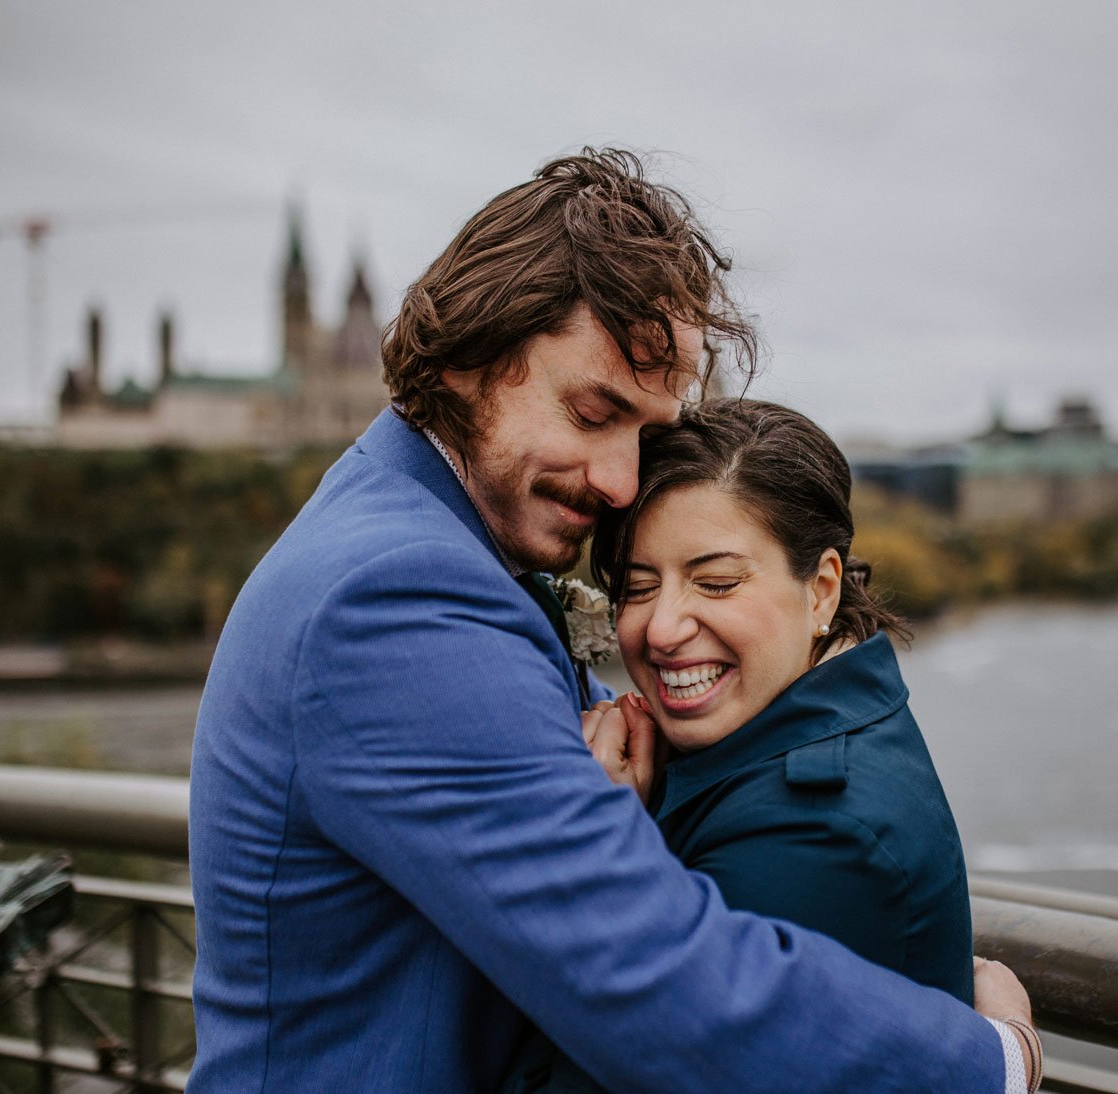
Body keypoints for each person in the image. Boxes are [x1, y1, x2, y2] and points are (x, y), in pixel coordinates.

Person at [188, 148, 1035, 1092]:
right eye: (594, 414)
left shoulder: (419, 530)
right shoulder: (395, 596)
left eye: (647, 435)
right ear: (469, 359)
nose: (624, 482)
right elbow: (652, 977)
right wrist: (990, 1063)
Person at [502, 399, 987, 1092]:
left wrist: (595, 839)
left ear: (821, 591)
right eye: (638, 587)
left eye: (716, 583)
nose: (662, 628)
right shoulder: (751, 739)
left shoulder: (820, 835)